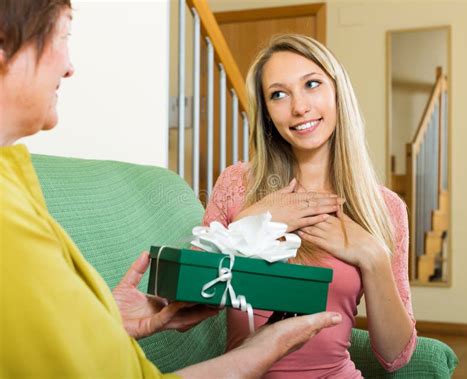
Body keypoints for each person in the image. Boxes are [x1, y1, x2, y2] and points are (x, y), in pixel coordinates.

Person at [0, 3, 342, 378]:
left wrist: (109, 320)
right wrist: (264, 348)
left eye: (312, 84)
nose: (69, 66)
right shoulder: (8, 216)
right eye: (63, 36)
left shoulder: (15, 181)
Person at [202, 34, 417, 378]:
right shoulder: (237, 184)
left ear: (337, 92)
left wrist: (373, 259)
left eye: (312, 84)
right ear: (268, 112)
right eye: (279, 94)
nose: (299, 107)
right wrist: (250, 224)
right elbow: (193, 301)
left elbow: (395, 356)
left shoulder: (386, 208)